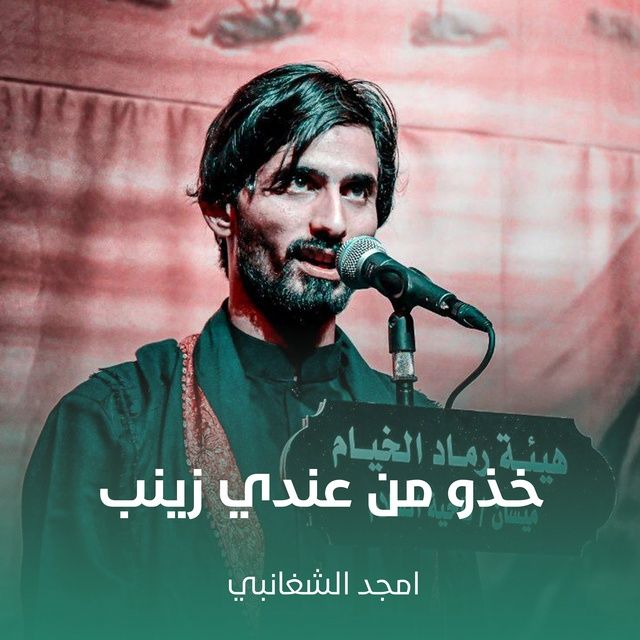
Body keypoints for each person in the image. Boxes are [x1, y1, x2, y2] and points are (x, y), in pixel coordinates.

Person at [22, 63, 480, 640]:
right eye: (300, 183)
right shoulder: (110, 425)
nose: (334, 222)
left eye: (357, 190)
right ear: (221, 210)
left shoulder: (426, 442)